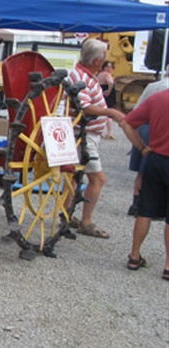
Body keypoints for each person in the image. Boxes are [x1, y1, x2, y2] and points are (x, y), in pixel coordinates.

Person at [65, 39, 125, 239]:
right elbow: (84, 106)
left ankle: (66, 214)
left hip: (87, 134)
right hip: (84, 135)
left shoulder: (85, 75)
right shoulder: (81, 77)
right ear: (98, 60)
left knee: (74, 177)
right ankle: (86, 221)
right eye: (105, 57)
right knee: (98, 179)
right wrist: (110, 112)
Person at [118, 89, 169, 280]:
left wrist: (141, 147)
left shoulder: (157, 98)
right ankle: (168, 266)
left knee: (145, 211)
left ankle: (134, 255)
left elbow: (126, 122)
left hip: (155, 159)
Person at [126, 67, 169, 216]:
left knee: (142, 170)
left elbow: (137, 108)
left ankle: (136, 203)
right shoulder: (165, 90)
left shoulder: (153, 86)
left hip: (144, 126)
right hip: (160, 129)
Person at [96, 61, 116, 139]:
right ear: (104, 67)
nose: (109, 68)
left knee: (100, 113)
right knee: (108, 114)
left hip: (100, 94)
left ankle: (100, 131)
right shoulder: (106, 74)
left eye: (110, 67)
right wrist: (109, 90)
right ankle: (109, 132)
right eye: (107, 66)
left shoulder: (99, 74)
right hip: (107, 95)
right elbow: (111, 82)